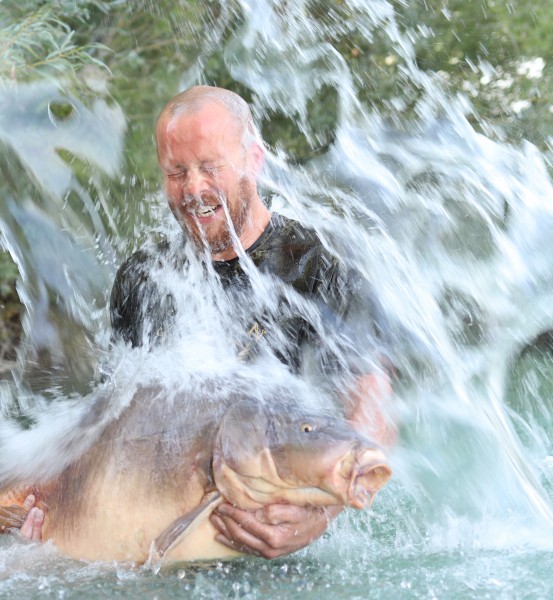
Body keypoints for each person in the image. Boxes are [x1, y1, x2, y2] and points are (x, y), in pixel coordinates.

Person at [100, 85, 396, 559]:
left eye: (210, 167)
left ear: (254, 159)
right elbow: (107, 420)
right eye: (176, 172)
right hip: (163, 525)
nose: (193, 189)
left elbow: (373, 406)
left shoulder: (318, 265)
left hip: (273, 526)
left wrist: (320, 517)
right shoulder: (144, 278)